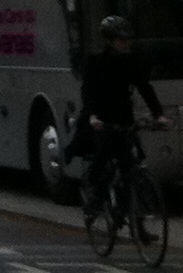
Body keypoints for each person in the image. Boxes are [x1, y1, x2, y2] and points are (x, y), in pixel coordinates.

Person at [68, 16, 166, 215]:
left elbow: (145, 87)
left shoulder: (131, 61)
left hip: (123, 116)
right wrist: (93, 116)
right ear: (110, 41)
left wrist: (158, 114)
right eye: (121, 40)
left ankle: (130, 208)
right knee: (105, 152)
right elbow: (88, 91)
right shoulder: (96, 62)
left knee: (131, 160)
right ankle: (96, 194)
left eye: (128, 39)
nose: (126, 43)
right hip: (101, 118)